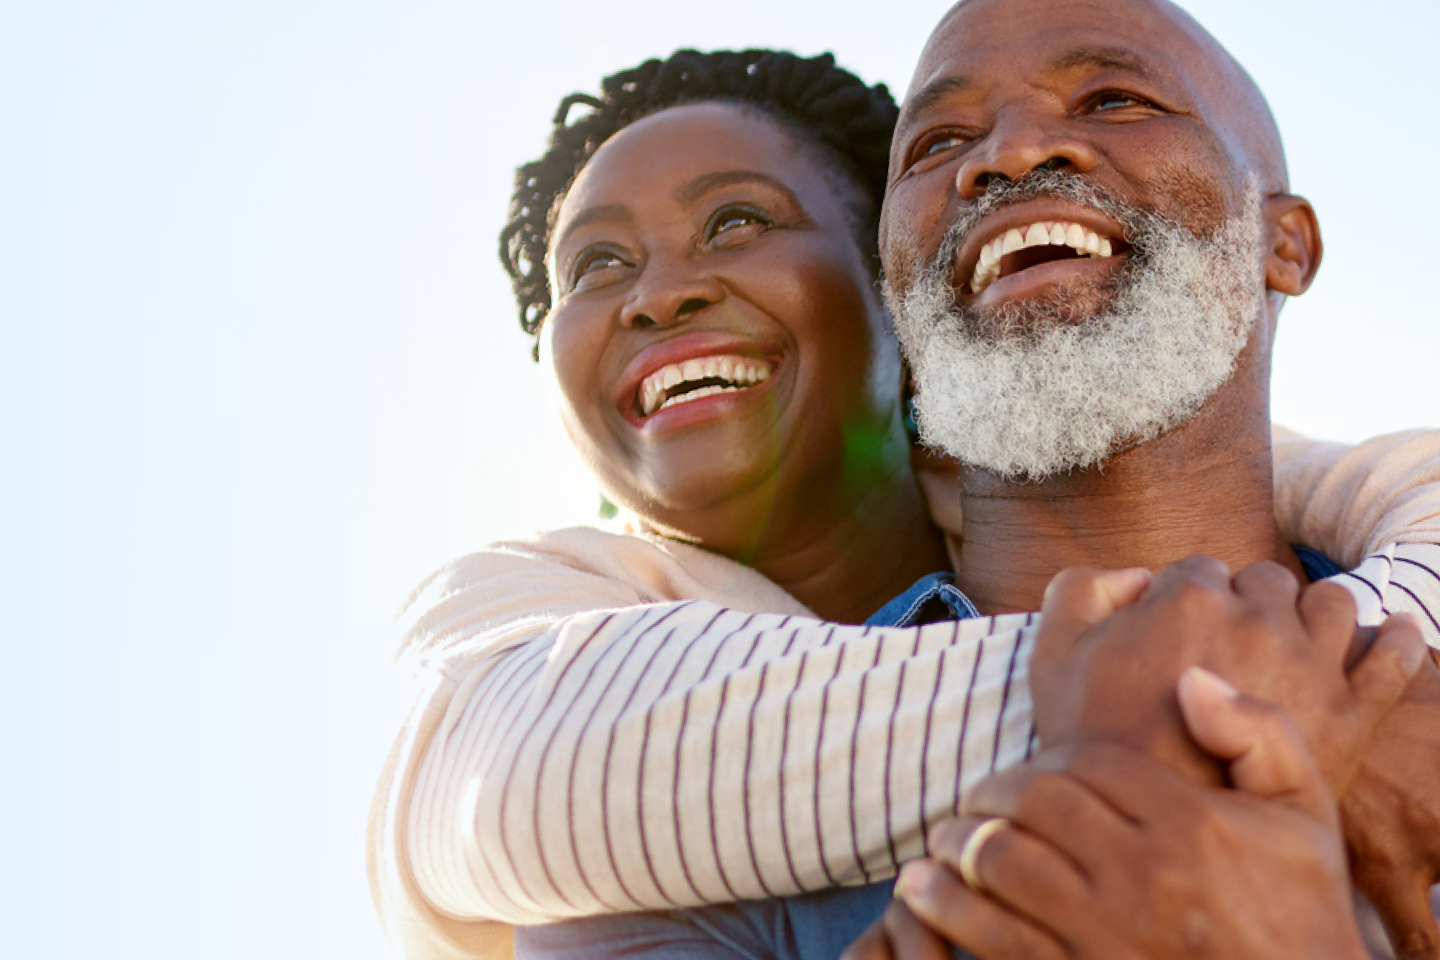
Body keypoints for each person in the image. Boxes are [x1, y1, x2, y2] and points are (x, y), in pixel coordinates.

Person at [366, 47, 1440, 960]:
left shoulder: (1298, 543)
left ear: (911, 300)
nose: (658, 294)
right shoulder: (543, 620)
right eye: (595, 264)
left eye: (737, 221)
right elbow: (524, 777)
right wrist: (1249, 714)